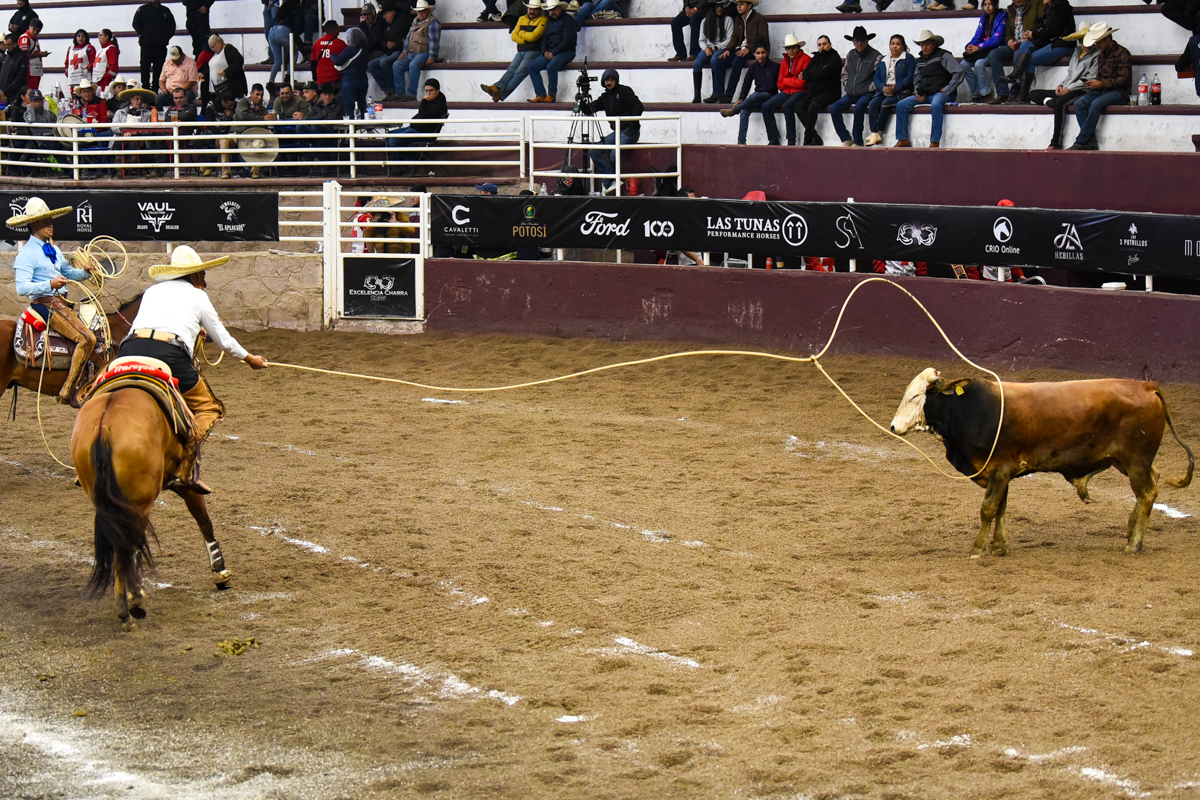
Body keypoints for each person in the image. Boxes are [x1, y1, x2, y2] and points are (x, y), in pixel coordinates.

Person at [117, 246, 269, 493]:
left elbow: (152, 323)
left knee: (103, 389)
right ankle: (185, 467)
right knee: (210, 407)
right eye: (203, 275)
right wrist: (248, 358)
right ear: (194, 275)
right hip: (169, 355)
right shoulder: (198, 297)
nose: (205, 282)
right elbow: (224, 339)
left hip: (130, 349)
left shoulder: (152, 291)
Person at [8, 197, 98, 405]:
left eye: (50, 220)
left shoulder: (54, 250)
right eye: (45, 221)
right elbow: (22, 287)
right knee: (87, 339)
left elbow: (67, 272)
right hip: (44, 304)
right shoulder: (26, 255)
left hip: (61, 303)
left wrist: (84, 272)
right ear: (34, 224)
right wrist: (49, 283)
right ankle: (68, 390)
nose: (51, 224)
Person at [893, 29, 963, 148]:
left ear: (934, 44)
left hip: (942, 93)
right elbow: (916, 79)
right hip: (926, 94)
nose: (924, 47)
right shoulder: (919, 61)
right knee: (901, 104)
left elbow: (959, 72)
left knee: (936, 104)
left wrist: (947, 89)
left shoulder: (944, 55)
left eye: (928, 44)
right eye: (922, 45)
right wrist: (917, 92)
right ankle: (903, 138)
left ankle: (934, 141)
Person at [1028, 24, 1092, 149]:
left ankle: (1056, 142)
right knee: (1033, 93)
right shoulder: (1077, 52)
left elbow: (1090, 78)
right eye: (1081, 40)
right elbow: (1070, 74)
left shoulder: (1096, 54)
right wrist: (1062, 85)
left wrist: (1069, 88)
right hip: (1067, 88)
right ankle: (1050, 101)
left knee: (1061, 104)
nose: (1083, 44)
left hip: (1082, 89)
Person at [1068, 22, 1129, 151]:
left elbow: (1123, 80)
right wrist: (1094, 83)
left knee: (1095, 104)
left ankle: (1081, 140)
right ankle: (1091, 141)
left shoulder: (1122, 53)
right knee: (1079, 104)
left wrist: (1101, 83)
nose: (1097, 45)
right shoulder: (1102, 54)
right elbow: (1100, 76)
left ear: (1107, 39)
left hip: (1119, 92)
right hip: (1103, 90)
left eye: (1099, 42)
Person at [1002, 0, 1075, 104]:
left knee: (1030, 59)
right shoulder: (1048, 7)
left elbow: (1054, 31)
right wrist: (1031, 34)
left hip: (1063, 43)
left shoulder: (1062, 8)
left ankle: (1023, 94)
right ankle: (1016, 75)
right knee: (1025, 45)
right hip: (1051, 41)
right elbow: (1044, 29)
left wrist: (1034, 35)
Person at [481, 0, 545, 101]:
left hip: (534, 51)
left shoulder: (543, 20)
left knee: (519, 72)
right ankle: (497, 89)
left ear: (540, 10)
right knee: (511, 70)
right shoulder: (522, 18)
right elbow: (514, 35)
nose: (532, 11)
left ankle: (499, 91)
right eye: (530, 9)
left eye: (535, 9)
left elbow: (534, 37)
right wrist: (525, 39)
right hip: (522, 50)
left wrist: (522, 35)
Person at [590, 68, 642, 191]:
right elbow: (591, 108)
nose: (609, 82)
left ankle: (607, 184)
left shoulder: (625, 91)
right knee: (594, 151)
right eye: (606, 80)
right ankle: (612, 179)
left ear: (616, 80)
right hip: (616, 133)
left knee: (614, 153)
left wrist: (631, 125)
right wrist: (581, 102)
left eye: (611, 80)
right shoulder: (605, 97)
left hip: (630, 132)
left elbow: (638, 106)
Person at [829, 25, 881, 147]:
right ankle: (845, 138)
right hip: (851, 92)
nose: (859, 43)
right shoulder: (850, 54)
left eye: (862, 40)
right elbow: (845, 72)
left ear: (867, 41)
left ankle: (858, 140)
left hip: (867, 93)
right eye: (856, 41)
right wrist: (846, 84)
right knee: (834, 108)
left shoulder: (876, 55)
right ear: (853, 42)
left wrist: (869, 88)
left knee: (859, 107)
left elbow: (878, 76)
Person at [720, 40, 778, 145]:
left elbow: (773, 86)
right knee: (744, 111)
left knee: (756, 95)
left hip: (770, 95)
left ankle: (734, 110)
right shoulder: (753, 68)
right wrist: (741, 99)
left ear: (767, 53)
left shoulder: (774, 66)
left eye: (763, 52)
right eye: (758, 53)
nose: (761, 56)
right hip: (756, 98)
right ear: (754, 54)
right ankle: (741, 141)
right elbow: (746, 84)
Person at [985, 0, 1044, 104]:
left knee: (1019, 53)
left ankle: (1014, 92)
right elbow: (1007, 32)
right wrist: (1009, 40)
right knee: (993, 54)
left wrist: (1032, 34)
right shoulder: (1011, 9)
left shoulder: (1036, 4)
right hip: (1015, 44)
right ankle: (1002, 93)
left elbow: (1043, 23)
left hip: (1031, 41)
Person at [709, 0, 767, 104]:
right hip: (740, 49)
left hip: (755, 50)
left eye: (742, 4)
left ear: (749, 6)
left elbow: (762, 38)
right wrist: (728, 49)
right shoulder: (738, 19)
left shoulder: (759, 18)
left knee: (737, 60)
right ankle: (717, 93)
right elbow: (734, 38)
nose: (738, 6)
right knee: (720, 60)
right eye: (738, 4)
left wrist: (749, 48)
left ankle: (729, 94)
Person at [387, 76, 447, 171]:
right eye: (426, 91)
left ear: (437, 90)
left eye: (431, 91)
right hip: (415, 127)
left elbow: (423, 114)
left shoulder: (439, 104)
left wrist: (423, 101)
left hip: (423, 132)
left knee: (393, 141)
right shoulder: (430, 100)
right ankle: (404, 165)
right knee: (388, 136)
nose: (428, 93)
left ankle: (413, 159)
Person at [386, 0, 440, 103]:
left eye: (422, 11)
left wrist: (432, 56)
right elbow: (408, 37)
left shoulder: (433, 23)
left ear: (427, 10)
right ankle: (399, 93)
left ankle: (411, 94)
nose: (420, 13)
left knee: (413, 66)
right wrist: (405, 50)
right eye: (418, 11)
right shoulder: (415, 21)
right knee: (397, 65)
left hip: (424, 52)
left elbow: (434, 41)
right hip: (411, 52)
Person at [759, 34, 808, 145]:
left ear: (798, 48)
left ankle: (791, 139)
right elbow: (780, 84)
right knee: (766, 106)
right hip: (787, 91)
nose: (791, 51)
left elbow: (803, 84)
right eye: (788, 48)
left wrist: (787, 80)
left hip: (801, 91)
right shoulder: (785, 62)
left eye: (793, 48)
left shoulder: (806, 59)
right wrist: (794, 80)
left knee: (788, 106)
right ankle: (773, 138)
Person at [865, 34, 913, 145]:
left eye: (898, 44)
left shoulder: (908, 58)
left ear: (903, 46)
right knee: (873, 103)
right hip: (885, 89)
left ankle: (880, 132)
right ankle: (874, 133)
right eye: (892, 44)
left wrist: (896, 87)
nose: (895, 46)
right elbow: (876, 77)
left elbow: (910, 77)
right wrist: (882, 87)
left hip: (901, 91)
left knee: (886, 103)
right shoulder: (884, 59)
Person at [795, 35, 841, 146]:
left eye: (824, 44)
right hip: (816, 92)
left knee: (813, 106)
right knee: (798, 106)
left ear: (830, 44)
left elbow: (822, 74)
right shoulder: (816, 57)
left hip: (831, 93)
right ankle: (815, 136)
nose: (822, 47)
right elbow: (806, 72)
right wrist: (812, 75)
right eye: (819, 45)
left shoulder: (834, 57)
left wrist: (810, 75)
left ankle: (807, 140)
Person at [527, 0, 576, 102]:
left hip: (567, 51)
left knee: (551, 67)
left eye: (553, 9)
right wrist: (545, 51)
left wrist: (553, 53)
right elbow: (544, 39)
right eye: (549, 10)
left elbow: (567, 41)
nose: (551, 12)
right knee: (532, 67)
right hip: (551, 52)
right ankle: (540, 94)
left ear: (560, 8)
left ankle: (552, 95)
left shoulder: (568, 20)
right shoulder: (549, 21)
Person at [960, 0, 1006, 102]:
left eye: (990, 4)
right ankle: (976, 93)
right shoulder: (983, 18)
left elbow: (996, 39)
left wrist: (979, 46)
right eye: (985, 4)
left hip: (993, 49)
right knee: (963, 64)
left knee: (979, 64)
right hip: (981, 50)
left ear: (995, 5)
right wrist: (970, 45)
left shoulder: (1002, 17)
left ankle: (986, 94)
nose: (987, 7)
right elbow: (977, 36)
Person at [133, 0, 177, 94]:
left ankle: (155, 91)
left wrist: (165, 38)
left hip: (160, 45)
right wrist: (144, 35)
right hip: (146, 45)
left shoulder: (165, 11)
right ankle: (145, 91)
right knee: (145, 69)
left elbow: (172, 26)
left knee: (159, 69)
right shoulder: (143, 9)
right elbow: (136, 24)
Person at [366, 3, 408, 97]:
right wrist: (386, 44)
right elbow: (382, 41)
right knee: (371, 65)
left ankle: (392, 90)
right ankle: (386, 90)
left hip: (399, 51)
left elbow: (402, 37)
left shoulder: (402, 21)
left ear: (392, 12)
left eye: (386, 14)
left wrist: (395, 44)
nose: (384, 16)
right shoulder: (387, 26)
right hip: (389, 52)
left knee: (384, 62)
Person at [693, 1, 731, 103]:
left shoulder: (728, 20)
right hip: (708, 47)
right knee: (697, 62)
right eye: (717, 7)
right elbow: (701, 39)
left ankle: (716, 93)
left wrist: (717, 47)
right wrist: (705, 48)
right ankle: (697, 94)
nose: (720, 9)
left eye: (721, 6)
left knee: (715, 60)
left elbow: (729, 39)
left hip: (720, 47)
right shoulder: (705, 21)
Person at [334, 26, 370, 116]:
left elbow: (338, 61)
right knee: (362, 107)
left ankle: (352, 129)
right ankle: (363, 126)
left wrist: (332, 55)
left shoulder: (350, 49)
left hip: (349, 81)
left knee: (350, 108)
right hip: (363, 80)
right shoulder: (365, 50)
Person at [208, 34, 247, 101]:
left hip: (229, 87)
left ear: (219, 43)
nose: (212, 49)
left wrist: (226, 72)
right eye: (210, 48)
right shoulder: (216, 53)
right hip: (218, 88)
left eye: (213, 47)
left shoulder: (228, 48)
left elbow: (239, 60)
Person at [311, 20, 347, 90]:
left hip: (321, 81)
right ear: (334, 29)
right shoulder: (340, 44)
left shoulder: (317, 43)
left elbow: (313, 63)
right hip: (335, 80)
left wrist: (315, 78)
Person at [0, 31, 29, 106]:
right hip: (3, 94)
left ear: (15, 44)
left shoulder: (21, 57)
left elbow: (20, 77)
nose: (6, 47)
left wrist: (7, 91)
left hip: (14, 94)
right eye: (5, 45)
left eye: (8, 45)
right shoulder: (7, 56)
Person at [18, 19, 46, 91]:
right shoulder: (25, 38)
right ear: (30, 26)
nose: (35, 32)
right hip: (29, 72)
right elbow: (23, 56)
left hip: (35, 71)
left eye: (38, 31)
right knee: (29, 92)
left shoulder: (34, 39)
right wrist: (39, 54)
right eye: (34, 29)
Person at [65, 29, 95, 97]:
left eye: (83, 36)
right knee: (75, 100)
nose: (80, 38)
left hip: (85, 79)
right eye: (78, 36)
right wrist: (67, 72)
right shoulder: (70, 49)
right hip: (73, 79)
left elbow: (94, 63)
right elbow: (67, 63)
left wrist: (89, 66)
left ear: (86, 38)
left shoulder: (89, 48)